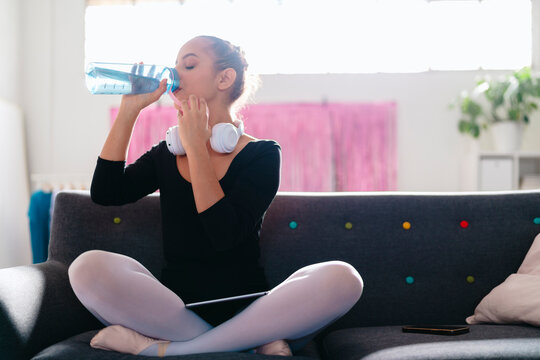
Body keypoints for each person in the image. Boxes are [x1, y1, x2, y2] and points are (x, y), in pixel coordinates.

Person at [68, 35, 364, 357]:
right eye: (176, 64)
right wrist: (129, 109)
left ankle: (159, 350)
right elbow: (106, 192)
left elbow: (223, 234)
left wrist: (197, 146)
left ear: (225, 78)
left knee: (343, 278)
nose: (175, 73)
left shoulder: (262, 154)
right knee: (86, 267)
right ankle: (246, 346)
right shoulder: (166, 154)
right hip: (176, 309)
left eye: (189, 64)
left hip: (250, 309)